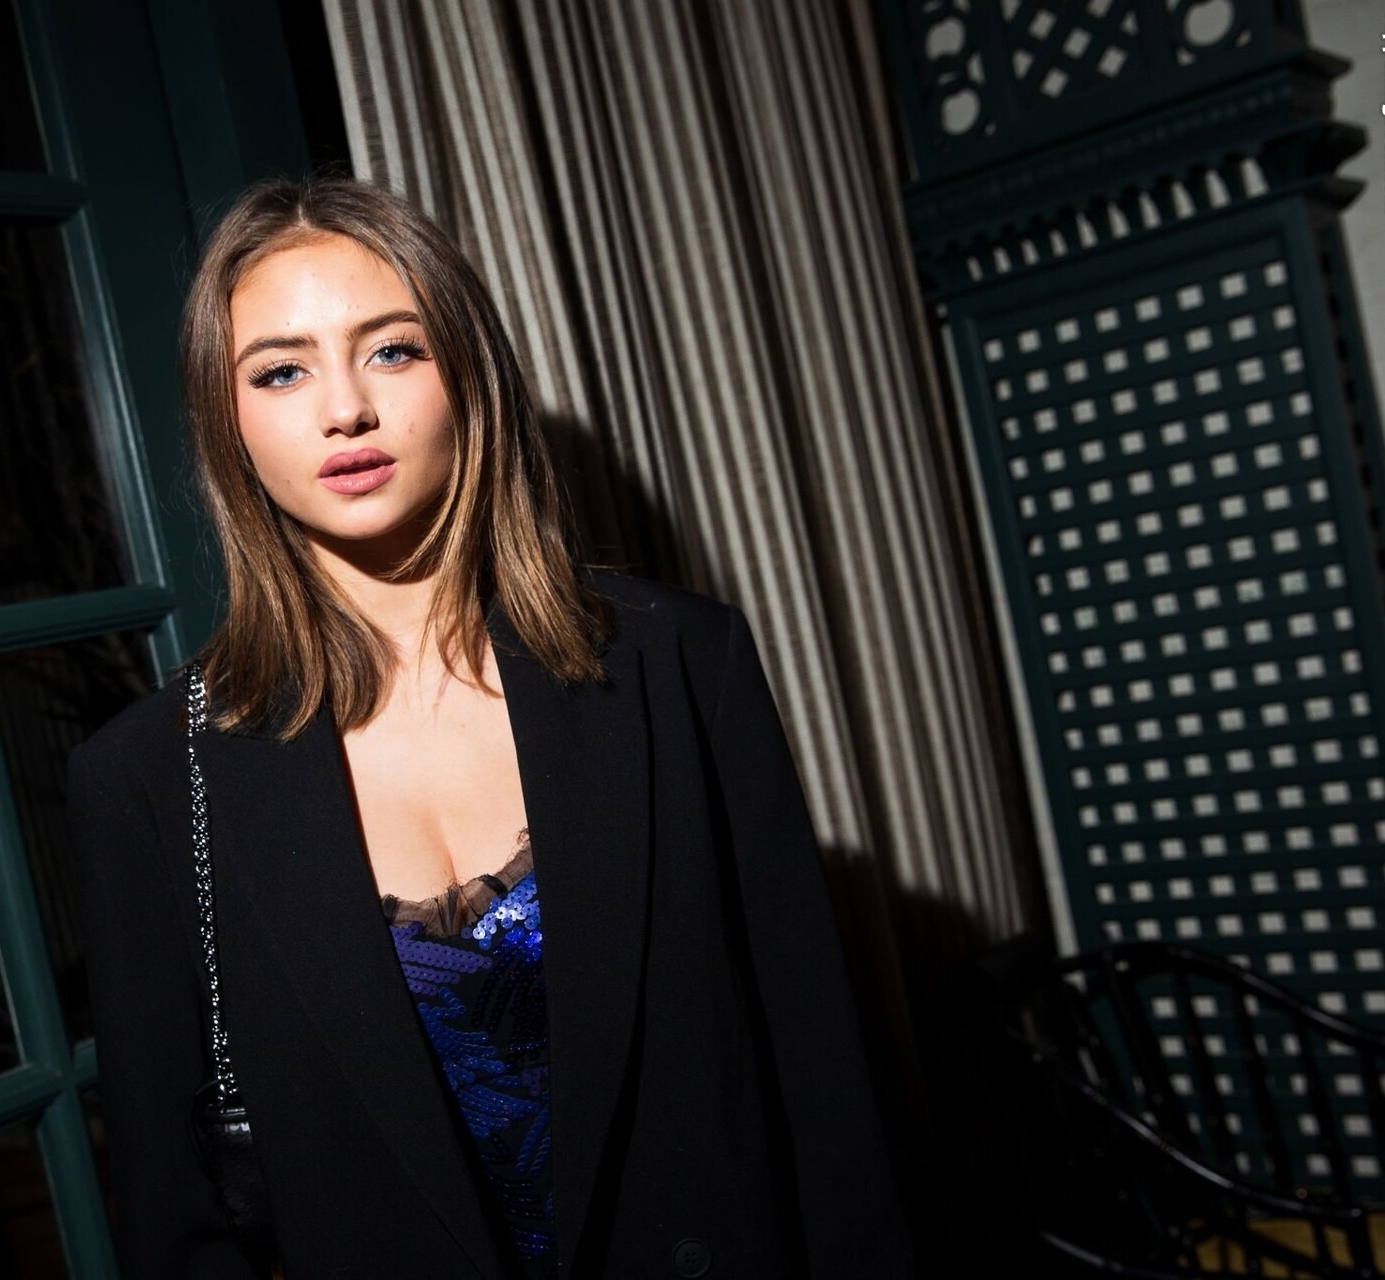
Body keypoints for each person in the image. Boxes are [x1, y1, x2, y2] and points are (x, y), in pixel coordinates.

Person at [67, 175, 915, 1280]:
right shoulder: (145, 777)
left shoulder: (675, 661)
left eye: (392, 350)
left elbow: (822, 1089)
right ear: (227, 423)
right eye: (281, 370)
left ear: (467, 371)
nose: (345, 410)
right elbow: (175, 1226)